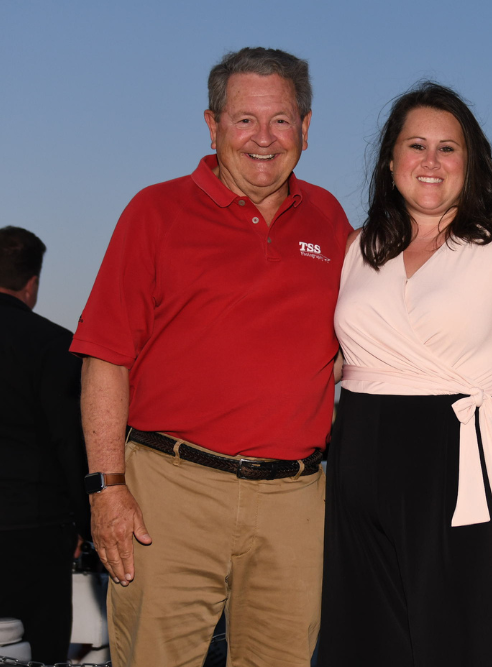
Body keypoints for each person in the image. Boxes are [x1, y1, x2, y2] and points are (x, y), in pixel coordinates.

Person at [70, 47, 352, 667]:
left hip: (294, 500)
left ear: (306, 128)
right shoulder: (156, 211)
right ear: (212, 124)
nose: (263, 139)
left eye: (280, 120)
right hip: (170, 492)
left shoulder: (331, 220)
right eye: (244, 120)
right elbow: (105, 358)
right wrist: (105, 486)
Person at [317, 82, 492, 667]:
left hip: (470, 480)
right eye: (415, 146)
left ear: (472, 163)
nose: (430, 162)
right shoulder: (357, 250)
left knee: (471, 644)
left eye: (448, 148)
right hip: (359, 475)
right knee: (367, 645)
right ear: (390, 161)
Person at [0, 226, 89, 664]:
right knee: (41, 651)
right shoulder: (52, 345)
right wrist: (86, 524)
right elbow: (71, 443)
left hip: (33, 525)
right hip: (33, 531)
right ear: (32, 283)